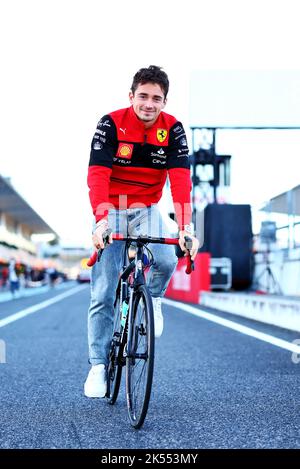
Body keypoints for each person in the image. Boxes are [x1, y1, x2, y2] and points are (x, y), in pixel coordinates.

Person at [85, 65, 199, 398]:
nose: (149, 104)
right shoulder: (110, 124)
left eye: (157, 98)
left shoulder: (174, 129)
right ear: (131, 96)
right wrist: (101, 220)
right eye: (143, 96)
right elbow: (97, 176)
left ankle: (156, 298)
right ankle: (97, 366)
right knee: (104, 290)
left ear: (164, 101)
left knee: (166, 258)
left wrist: (185, 227)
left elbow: (180, 181)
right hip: (112, 206)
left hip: (147, 208)